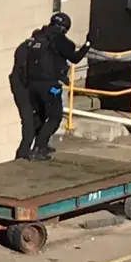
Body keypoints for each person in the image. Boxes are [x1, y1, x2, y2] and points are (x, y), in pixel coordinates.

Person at [24, 12, 93, 160]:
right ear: (64, 28)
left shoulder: (37, 37)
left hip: (31, 86)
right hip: (49, 85)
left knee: (42, 115)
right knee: (55, 117)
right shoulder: (60, 40)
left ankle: (41, 144)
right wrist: (88, 43)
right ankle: (38, 149)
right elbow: (75, 58)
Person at [9, 30, 49, 160]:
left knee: (42, 115)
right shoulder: (29, 50)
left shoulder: (26, 48)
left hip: (27, 86)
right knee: (28, 122)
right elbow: (24, 73)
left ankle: (38, 145)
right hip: (23, 88)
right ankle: (23, 153)